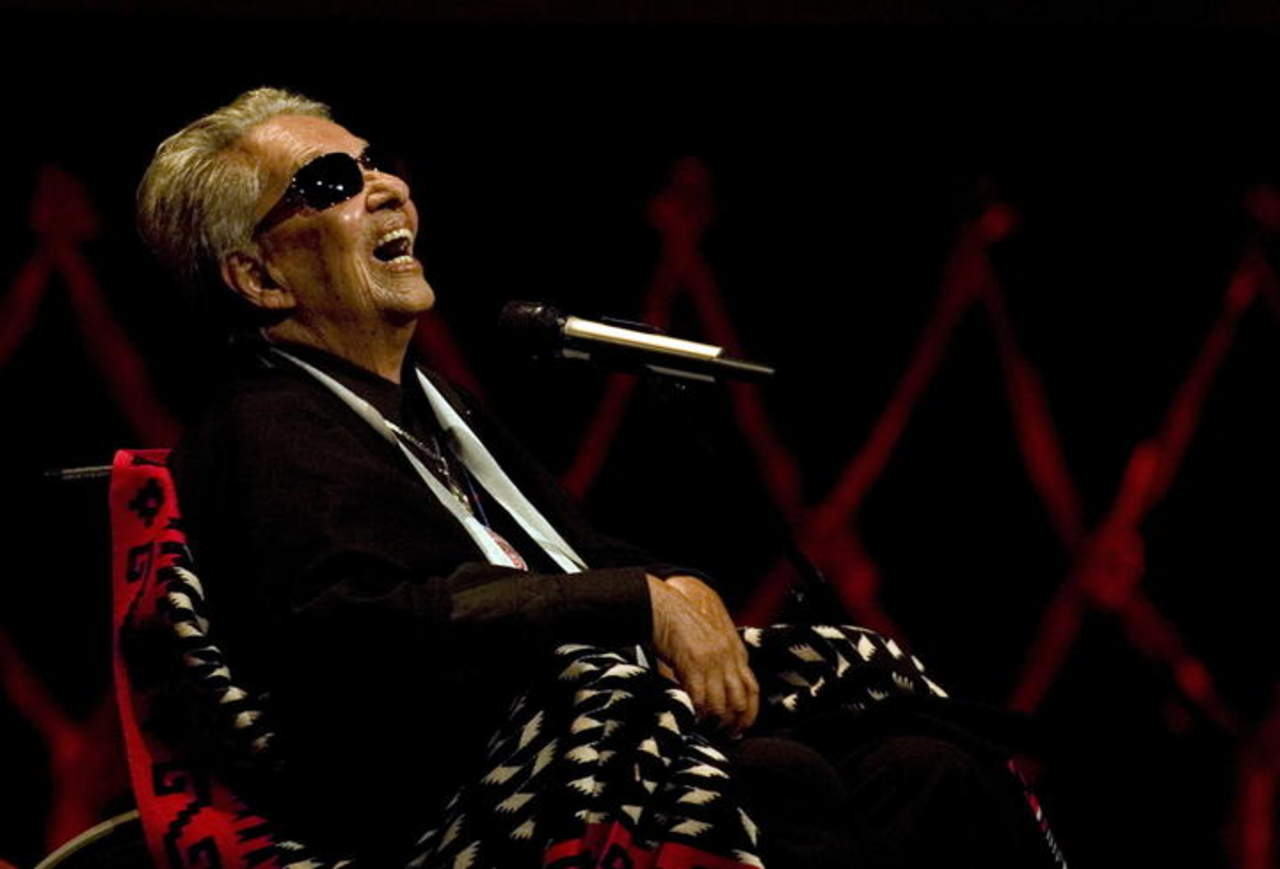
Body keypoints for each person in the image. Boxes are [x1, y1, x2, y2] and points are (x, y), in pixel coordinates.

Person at [136, 88, 1064, 868]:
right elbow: (358, 627)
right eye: (333, 184)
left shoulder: (431, 402)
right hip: (451, 794)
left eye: (376, 164)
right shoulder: (265, 430)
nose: (388, 189)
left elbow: (575, 554)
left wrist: (677, 589)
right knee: (780, 781)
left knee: (925, 764)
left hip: (589, 723)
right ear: (258, 276)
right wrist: (635, 602)